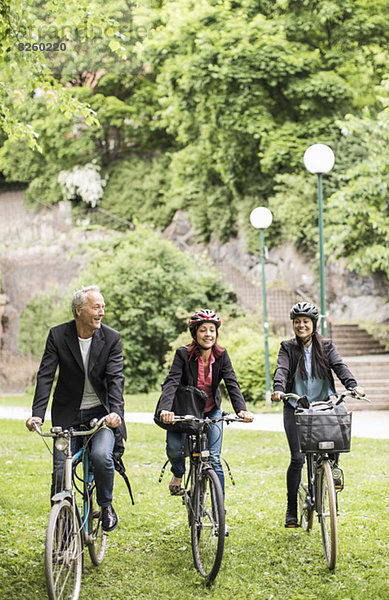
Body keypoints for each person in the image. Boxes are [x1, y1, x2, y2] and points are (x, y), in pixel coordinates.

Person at [26, 285, 126, 532]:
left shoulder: (112, 338)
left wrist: (116, 413)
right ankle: (60, 527)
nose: (101, 312)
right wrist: (37, 414)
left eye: (103, 306)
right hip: (67, 414)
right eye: (96, 307)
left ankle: (106, 505)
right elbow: (46, 376)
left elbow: (115, 380)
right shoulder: (58, 335)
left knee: (101, 457)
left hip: (100, 415)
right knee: (61, 467)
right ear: (78, 311)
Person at [271, 301, 365, 528]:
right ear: (293, 324)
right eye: (297, 322)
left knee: (335, 442)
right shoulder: (287, 347)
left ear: (314, 324)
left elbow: (340, 366)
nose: (301, 325)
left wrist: (353, 385)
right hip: (297, 407)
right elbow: (282, 369)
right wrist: (279, 389)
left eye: (305, 321)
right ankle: (292, 509)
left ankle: (331, 472)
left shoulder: (327, 346)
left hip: (323, 406)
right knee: (297, 458)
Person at [156, 308, 253, 500]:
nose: (208, 334)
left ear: (216, 333)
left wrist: (242, 410)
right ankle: (178, 473)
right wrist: (165, 409)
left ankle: (219, 514)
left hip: (211, 411)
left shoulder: (222, 355)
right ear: (195, 333)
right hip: (183, 411)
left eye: (211, 330)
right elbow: (172, 382)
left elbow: (231, 382)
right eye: (203, 330)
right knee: (174, 449)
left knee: (214, 460)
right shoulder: (183, 355)